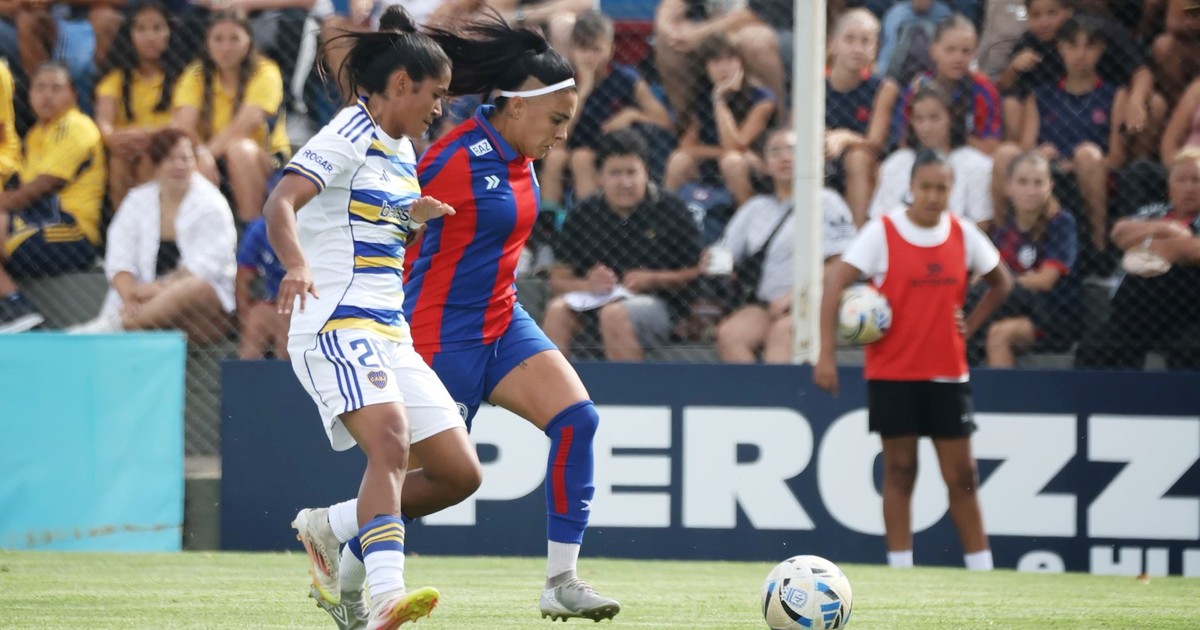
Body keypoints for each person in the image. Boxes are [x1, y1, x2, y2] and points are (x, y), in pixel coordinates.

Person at [264, 7, 479, 628]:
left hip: (389, 332)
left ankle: (330, 529)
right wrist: (295, 264)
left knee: (457, 473)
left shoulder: (403, 149)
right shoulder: (347, 133)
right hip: (334, 323)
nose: (440, 107)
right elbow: (281, 202)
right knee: (390, 442)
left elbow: (366, 228)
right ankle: (386, 594)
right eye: (436, 94)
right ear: (402, 83)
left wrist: (411, 219)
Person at [814, 148, 1014, 571]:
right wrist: (826, 354)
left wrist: (970, 325)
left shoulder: (963, 233)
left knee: (962, 476)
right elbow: (835, 283)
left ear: (952, 189)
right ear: (910, 187)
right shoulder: (883, 232)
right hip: (894, 373)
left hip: (948, 373)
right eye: (926, 187)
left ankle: (982, 569)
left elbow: (1002, 282)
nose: (933, 196)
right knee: (900, 470)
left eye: (942, 188)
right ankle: (900, 568)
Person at [542, 129, 703, 361]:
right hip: (592, 301)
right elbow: (558, 280)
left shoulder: (671, 209)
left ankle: (631, 386)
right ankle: (555, 385)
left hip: (661, 305)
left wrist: (654, 279)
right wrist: (588, 284)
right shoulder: (582, 214)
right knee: (557, 311)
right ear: (599, 178)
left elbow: (697, 269)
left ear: (646, 173)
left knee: (614, 314)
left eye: (631, 172)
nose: (625, 183)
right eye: (615, 173)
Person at [69, 128, 236, 341]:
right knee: (133, 299)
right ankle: (129, 322)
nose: (179, 165)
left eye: (186, 158)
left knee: (193, 287)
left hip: (202, 314)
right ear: (156, 165)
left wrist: (160, 288)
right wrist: (129, 296)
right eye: (170, 159)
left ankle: (116, 326)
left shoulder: (213, 204)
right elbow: (119, 258)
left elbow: (206, 266)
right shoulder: (136, 201)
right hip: (140, 302)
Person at [715, 127, 858, 363]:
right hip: (766, 304)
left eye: (793, 150)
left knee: (782, 333)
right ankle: (756, 388)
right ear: (765, 165)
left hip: (815, 302)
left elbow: (843, 263)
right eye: (775, 152)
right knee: (730, 335)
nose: (784, 157)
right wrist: (712, 260)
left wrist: (794, 297)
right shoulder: (755, 207)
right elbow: (724, 254)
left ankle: (774, 388)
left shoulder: (827, 202)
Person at [0, 62, 107, 333]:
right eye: (40, 88)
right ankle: (15, 308)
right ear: (29, 95)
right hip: (36, 225)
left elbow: (37, 189)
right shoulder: (36, 134)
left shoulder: (76, 125)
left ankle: (18, 307)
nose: (47, 96)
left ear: (74, 94)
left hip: (72, 231)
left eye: (56, 88)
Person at [1075, 147, 1200, 370]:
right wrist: (1168, 229)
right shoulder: (1154, 212)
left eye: (1196, 180)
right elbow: (1120, 232)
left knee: (1190, 350)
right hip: (1136, 314)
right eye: (1181, 180)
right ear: (1169, 185)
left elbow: (1195, 251)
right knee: (1095, 349)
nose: (1189, 187)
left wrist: (1145, 244)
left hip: (1188, 316)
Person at [537, 10, 672, 211]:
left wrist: (632, 115)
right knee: (555, 157)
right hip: (572, 145)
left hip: (612, 149)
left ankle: (591, 218)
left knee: (582, 158)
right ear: (572, 49)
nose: (590, 57)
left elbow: (665, 121)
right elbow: (557, 140)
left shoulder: (627, 78)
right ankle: (548, 221)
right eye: (583, 48)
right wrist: (582, 92)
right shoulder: (563, 82)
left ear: (610, 49)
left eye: (596, 49)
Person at [1020, 13, 1128, 253]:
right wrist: (1039, 155)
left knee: (1087, 154)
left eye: (1089, 46)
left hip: (1095, 175)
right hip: (1049, 175)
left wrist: (1079, 164)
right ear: (1060, 48)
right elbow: (1025, 150)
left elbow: (1116, 157)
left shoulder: (1115, 95)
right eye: (1072, 46)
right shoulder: (1039, 96)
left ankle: (1099, 249)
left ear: (1100, 49)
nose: (1080, 55)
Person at [172, 10, 291, 222]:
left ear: (248, 41)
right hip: (209, 158)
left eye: (234, 38)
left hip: (263, 158)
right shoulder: (196, 73)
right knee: (171, 157)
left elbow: (243, 127)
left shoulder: (265, 71)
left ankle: (250, 231)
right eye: (218, 39)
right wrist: (199, 154)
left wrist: (204, 154)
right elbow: (183, 126)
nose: (226, 47)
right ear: (207, 43)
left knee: (240, 150)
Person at [974, 151, 1079, 366]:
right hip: (1013, 308)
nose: (1031, 191)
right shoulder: (1005, 232)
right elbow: (985, 275)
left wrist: (1001, 283)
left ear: (1050, 185)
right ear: (1008, 187)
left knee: (999, 333)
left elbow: (1045, 280)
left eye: (1038, 183)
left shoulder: (1061, 223)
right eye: (1022, 182)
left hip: (1051, 314)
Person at [663, 32, 777, 207]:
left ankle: (748, 215)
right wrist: (717, 97)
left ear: (741, 62)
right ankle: (664, 211)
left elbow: (736, 145)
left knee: (732, 162)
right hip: (713, 161)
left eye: (731, 59)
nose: (724, 68)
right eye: (716, 61)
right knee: (679, 159)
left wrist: (719, 101)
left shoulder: (762, 98)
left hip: (754, 165)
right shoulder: (699, 96)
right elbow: (688, 147)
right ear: (705, 67)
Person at [94, 1, 184, 206]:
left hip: (166, 148)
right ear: (129, 35)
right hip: (126, 148)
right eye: (141, 29)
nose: (149, 37)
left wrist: (147, 135)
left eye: (157, 28)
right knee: (118, 160)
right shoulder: (115, 78)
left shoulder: (182, 78)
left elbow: (181, 123)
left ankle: (154, 221)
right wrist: (113, 138)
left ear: (169, 33)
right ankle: (124, 222)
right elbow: (103, 122)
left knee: (147, 158)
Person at [869, 81, 995, 227]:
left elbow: (981, 224)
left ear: (951, 118)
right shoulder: (897, 162)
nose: (926, 128)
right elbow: (879, 221)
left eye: (934, 118)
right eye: (919, 119)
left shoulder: (974, 163)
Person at [825, 8, 899, 225]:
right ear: (833, 44)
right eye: (849, 39)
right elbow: (794, 130)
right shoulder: (814, 83)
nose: (857, 49)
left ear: (875, 49)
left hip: (864, 160)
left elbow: (875, 143)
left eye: (865, 41)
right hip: (823, 153)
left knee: (857, 158)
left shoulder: (883, 87)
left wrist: (843, 137)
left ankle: (857, 234)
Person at [235, 216, 289, 359]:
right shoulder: (261, 228)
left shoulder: (313, 226)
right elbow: (243, 279)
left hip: (309, 301)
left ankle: (288, 368)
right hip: (275, 303)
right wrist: (244, 321)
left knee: (287, 315)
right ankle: (247, 372)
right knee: (257, 317)